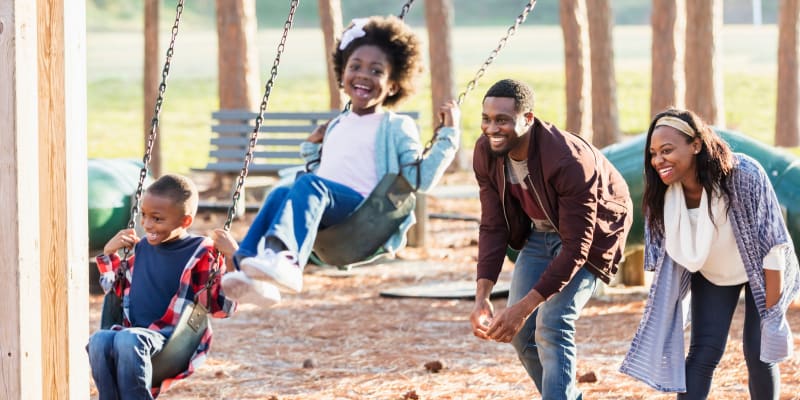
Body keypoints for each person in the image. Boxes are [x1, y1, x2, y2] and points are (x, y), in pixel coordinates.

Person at [221, 15, 459, 303]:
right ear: (342, 75)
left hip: (364, 212)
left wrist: (448, 136)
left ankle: (287, 259)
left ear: (394, 85)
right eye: (355, 66)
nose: (363, 74)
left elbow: (418, 179)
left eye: (376, 70)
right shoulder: (336, 124)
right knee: (281, 191)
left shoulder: (396, 125)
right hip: (328, 209)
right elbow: (327, 171)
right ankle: (247, 267)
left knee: (310, 185)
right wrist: (312, 148)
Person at [469, 79, 633, 399]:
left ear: (528, 119)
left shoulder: (567, 159)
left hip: (594, 235)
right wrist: (482, 297)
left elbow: (576, 247)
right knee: (522, 336)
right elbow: (493, 225)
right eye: (486, 119)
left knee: (552, 324)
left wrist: (523, 306)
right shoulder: (486, 152)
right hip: (541, 231)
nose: (492, 128)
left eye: (502, 119)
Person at [620, 108, 800, 399]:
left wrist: (772, 317)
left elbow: (773, 246)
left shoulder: (744, 175)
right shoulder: (661, 194)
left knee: (759, 351)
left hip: (763, 269)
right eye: (653, 153)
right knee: (704, 352)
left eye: (667, 150)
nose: (658, 160)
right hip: (713, 272)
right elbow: (666, 263)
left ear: (696, 144)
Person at [87, 174, 247, 399]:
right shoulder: (142, 248)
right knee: (99, 341)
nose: (147, 224)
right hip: (135, 335)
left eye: (157, 218)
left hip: (172, 339)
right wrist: (108, 253)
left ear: (185, 222)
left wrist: (232, 258)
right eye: (144, 215)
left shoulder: (202, 252)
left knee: (127, 339)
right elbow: (115, 291)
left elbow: (223, 308)